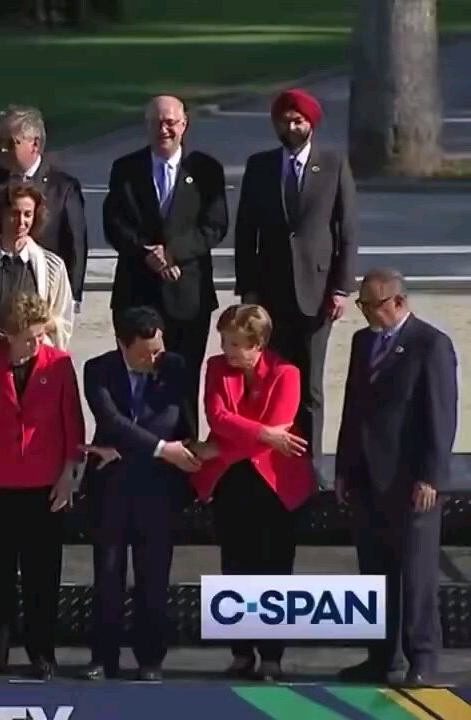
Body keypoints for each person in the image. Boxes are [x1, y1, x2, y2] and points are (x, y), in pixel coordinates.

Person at [336, 268, 457, 686]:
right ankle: (380, 656)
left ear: (398, 303)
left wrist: (431, 476)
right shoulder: (362, 342)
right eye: (362, 305)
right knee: (374, 573)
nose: (366, 313)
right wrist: (343, 470)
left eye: (372, 305)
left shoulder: (431, 345)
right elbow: (352, 408)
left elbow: (440, 415)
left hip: (411, 483)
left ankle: (422, 659)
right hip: (368, 477)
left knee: (417, 576)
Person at [191, 304, 315, 681]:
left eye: (235, 344)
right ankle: (241, 652)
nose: (227, 350)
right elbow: (218, 417)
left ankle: (272, 655)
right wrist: (262, 434)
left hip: (275, 487)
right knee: (236, 567)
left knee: (274, 570)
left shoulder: (287, 373)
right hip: (233, 482)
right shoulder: (215, 368)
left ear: (258, 344)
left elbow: (278, 433)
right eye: (224, 341)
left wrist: (217, 449)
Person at [0, 292, 83, 680]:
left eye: (41, 335)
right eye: (29, 337)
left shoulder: (60, 365)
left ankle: (41, 651)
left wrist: (69, 473)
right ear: (9, 335)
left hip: (44, 484)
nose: (37, 343)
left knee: (41, 574)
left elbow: (73, 424)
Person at [235, 88, 358, 462]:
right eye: (285, 121)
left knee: (310, 386)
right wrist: (248, 291)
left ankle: (311, 463)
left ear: (311, 124)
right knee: (268, 379)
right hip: (269, 294)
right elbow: (245, 232)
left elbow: (347, 229)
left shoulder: (333, 164)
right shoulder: (260, 166)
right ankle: (270, 459)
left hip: (316, 291)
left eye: (298, 120)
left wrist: (340, 288)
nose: (291, 126)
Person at [81, 306, 198, 681]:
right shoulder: (97, 370)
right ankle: (104, 656)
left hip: (157, 489)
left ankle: (150, 658)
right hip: (111, 488)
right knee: (108, 576)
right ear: (122, 345)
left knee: (153, 579)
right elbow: (110, 420)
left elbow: (169, 418)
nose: (154, 357)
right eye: (145, 352)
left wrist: (134, 446)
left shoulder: (175, 367)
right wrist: (163, 449)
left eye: (158, 347)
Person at [103, 96, 228, 426]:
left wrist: (172, 253)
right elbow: (114, 225)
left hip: (187, 295)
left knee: (183, 383)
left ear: (184, 124)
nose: (164, 129)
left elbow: (215, 226)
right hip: (137, 292)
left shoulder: (206, 171)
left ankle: (185, 461)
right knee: (138, 383)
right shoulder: (125, 170)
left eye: (171, 122)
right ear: (146, 126)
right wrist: (148, 254)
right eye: (157, 122)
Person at [0, 104, 85, 306]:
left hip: (43, 293)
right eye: (1, 142)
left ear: (34, 144)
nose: (3, 149)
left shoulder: (63, 188)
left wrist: (72, 298)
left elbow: (75, 247)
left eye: (11, 143)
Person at [0, 180, 74, 355]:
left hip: (37, 361)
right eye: (14, 214)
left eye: (28, 214)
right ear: (0, 215)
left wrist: (35, 327)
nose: (21, 222)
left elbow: (64, 319)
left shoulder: (53, 267)